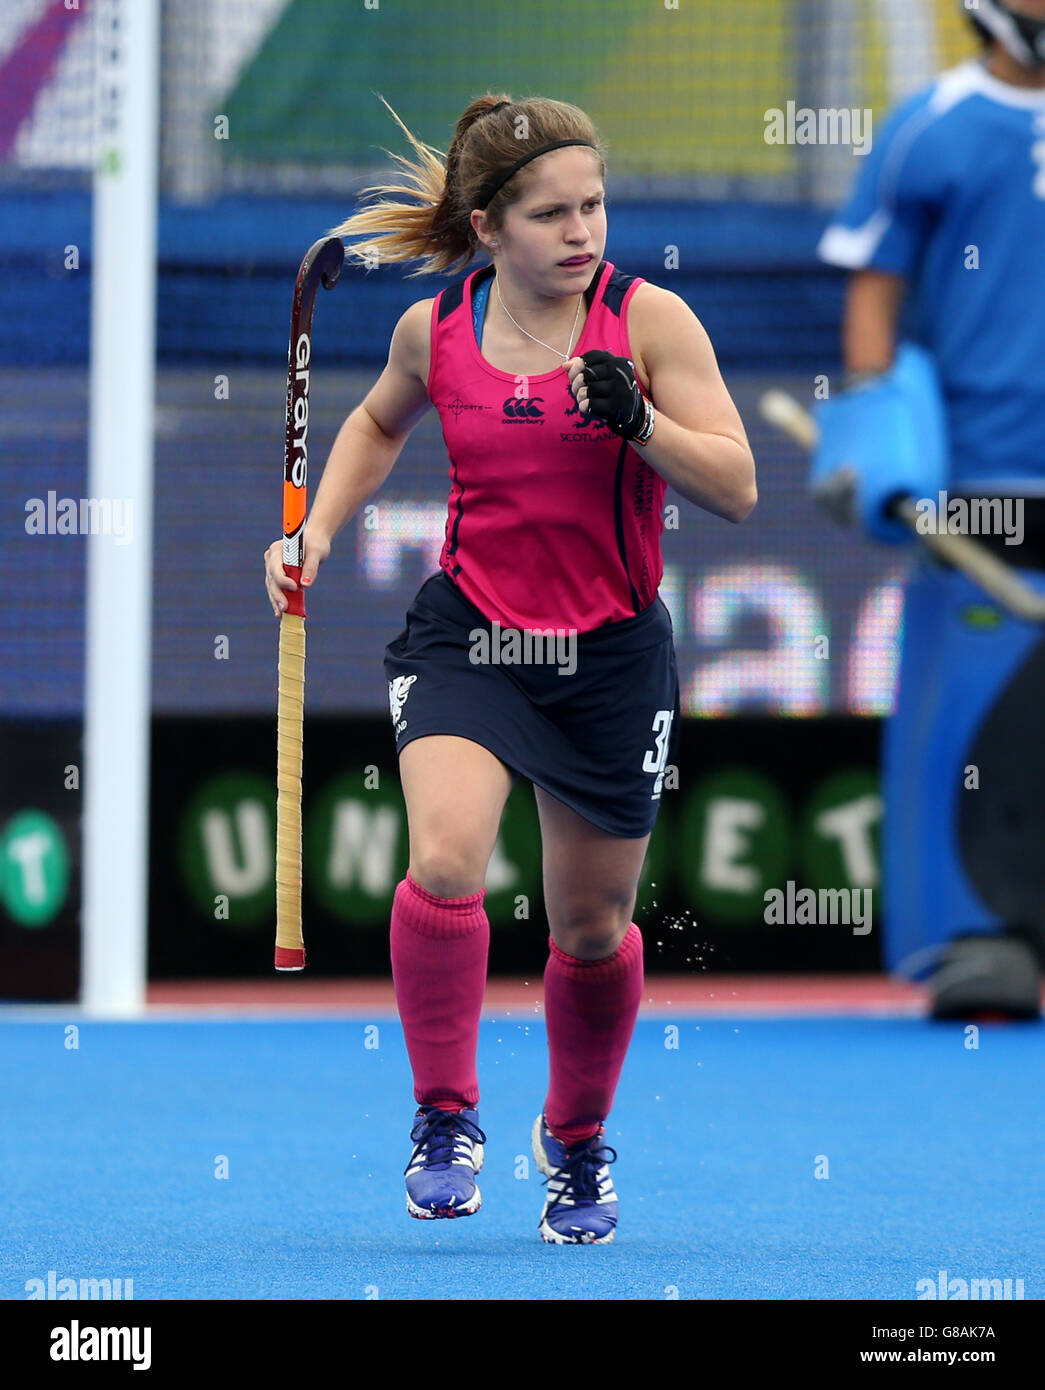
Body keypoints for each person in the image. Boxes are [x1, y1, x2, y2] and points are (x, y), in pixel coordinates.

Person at [264, 92, 756, 1242]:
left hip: (611, 659)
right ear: (488, 228)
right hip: (471, 640)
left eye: (593, 205)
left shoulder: (650, 322)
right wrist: (313, 532)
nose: (582, 232)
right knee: (443, 857)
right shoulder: (433, 331)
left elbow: (734, 485)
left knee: (589, 930)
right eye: (550, 214)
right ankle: (445, 1118)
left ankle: (576, 1141)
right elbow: (379, 427)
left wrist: (639, 424)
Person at [815, 0, 1045, 1019]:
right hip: (988, 491)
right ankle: (981, 935)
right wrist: (875, 441)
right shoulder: (929, 127)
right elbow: (875, 294)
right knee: (976, 715)